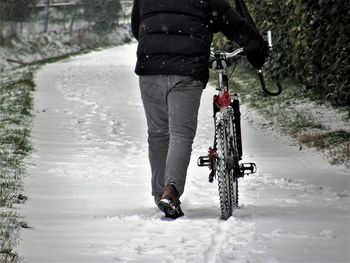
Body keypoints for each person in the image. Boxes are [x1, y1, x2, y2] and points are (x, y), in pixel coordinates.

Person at [131, 0, 268, 219]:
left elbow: (137, 28)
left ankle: (160, 194)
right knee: (181, 134)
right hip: (186, 71)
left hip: (150, 68)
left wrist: (161, 46)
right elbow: (232, 24)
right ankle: (171, 192)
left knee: (157, 134)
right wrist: (257, 48)